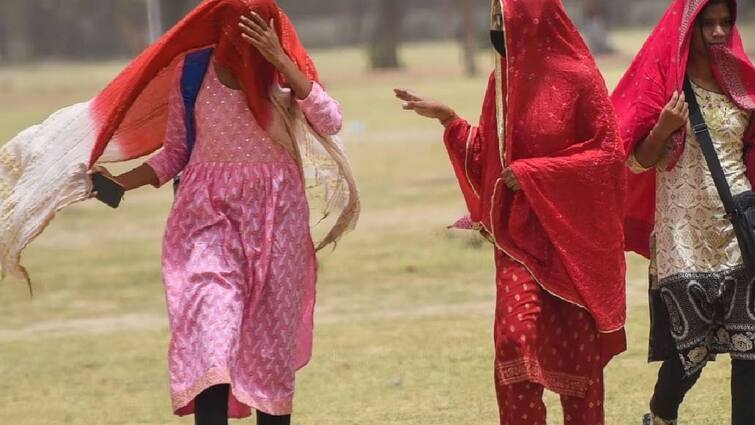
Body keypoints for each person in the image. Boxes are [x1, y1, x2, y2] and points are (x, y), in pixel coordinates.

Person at [0, 1, 359, 424]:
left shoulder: (282, 74)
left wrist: (282, 61)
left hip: (275, 223)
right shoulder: (193, 72)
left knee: (269, 349)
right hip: (205, 221)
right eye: (235, 29)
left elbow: (330, 120)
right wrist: (118, 184)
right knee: (210, 337)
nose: (243, 40)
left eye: (256, 29)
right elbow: (175, 153)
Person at [395, 0, 627, 423]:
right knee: (515, 344)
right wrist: (449, 119)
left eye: (504, 19)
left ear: (533, 19)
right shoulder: (502, 81)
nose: (498, 29)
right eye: (494, 20)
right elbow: (492, 159)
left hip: (572, 245)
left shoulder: (578, 78)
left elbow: (608, 156)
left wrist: (536, 174)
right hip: (518, 242)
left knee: (579, 363)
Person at [612, 0, 755, 423]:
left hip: (739, 226)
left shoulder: (740, 82)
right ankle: (659, 416)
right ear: (687, 26)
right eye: (707, 24)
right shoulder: (665, 84)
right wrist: (662, 129)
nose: (717, 32)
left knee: (750, 344)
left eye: (724, 23)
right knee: (689, 346)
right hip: (682, 230)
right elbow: (635, 160)